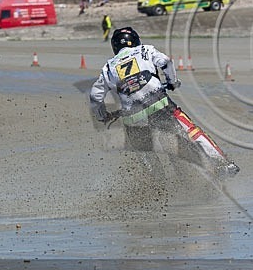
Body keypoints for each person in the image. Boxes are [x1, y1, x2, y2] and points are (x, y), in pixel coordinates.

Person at [89, 27, 239, 177]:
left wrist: (102, 116)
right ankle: (224, 163)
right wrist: (172, 82)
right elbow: (166, 62)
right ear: (135, 40)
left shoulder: (108, 67)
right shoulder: (145, 50)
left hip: (132, 116)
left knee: (145, 153)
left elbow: (95, 96)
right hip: (158, 104)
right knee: (190, 131)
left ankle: (157, 188)